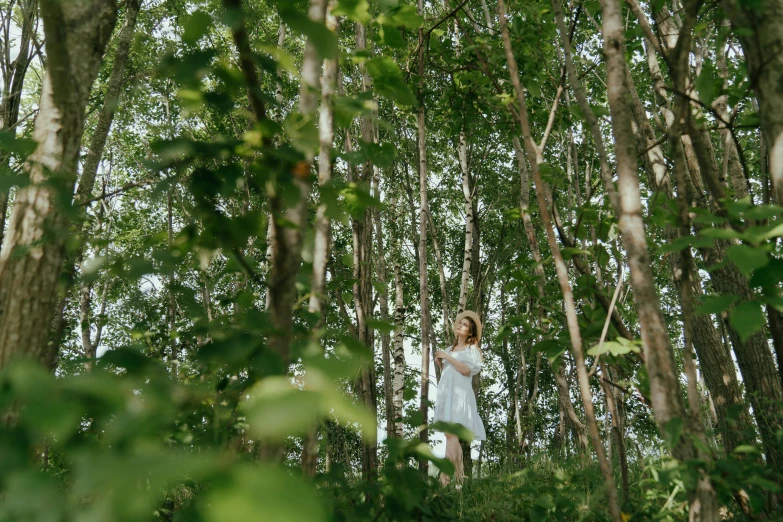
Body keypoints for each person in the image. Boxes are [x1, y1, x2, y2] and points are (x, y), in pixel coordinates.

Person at [433, 310, 486, 487]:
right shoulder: (450, 349)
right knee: (450, 437)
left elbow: (465, 370)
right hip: (447, 395)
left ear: (470, 332)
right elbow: (449, 373)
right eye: (460, 323)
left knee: (451, 435)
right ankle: (454, 482)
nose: (460, 325)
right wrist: (441, 364)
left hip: (460, 397)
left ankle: (451, 479)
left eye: (464, 325)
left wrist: (448, 357)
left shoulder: (472, 350)